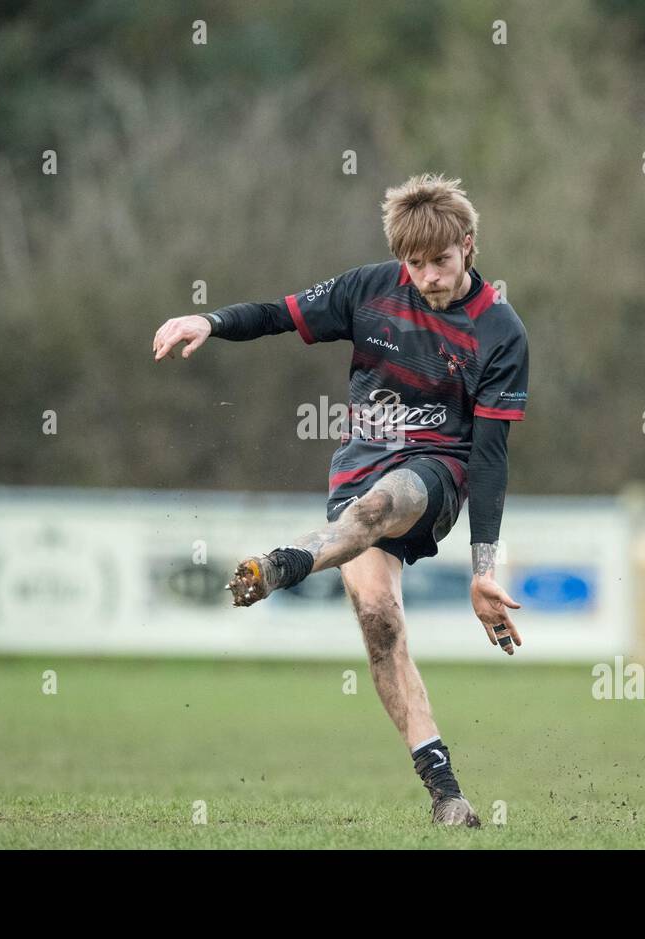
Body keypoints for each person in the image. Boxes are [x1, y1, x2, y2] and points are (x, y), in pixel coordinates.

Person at [150, 173, 530, 827]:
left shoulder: (500, 332)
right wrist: (207, 320)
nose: (430, 276)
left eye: (441, 260)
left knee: (377, 508)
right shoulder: (369, 290)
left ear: (469, 245)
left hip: (434, 476)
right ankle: (447, 794)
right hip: (359, 468)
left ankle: (280, 565)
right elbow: (277, 313)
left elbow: (491, 459)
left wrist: (484, 567)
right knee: (381, 622)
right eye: (416, 264)